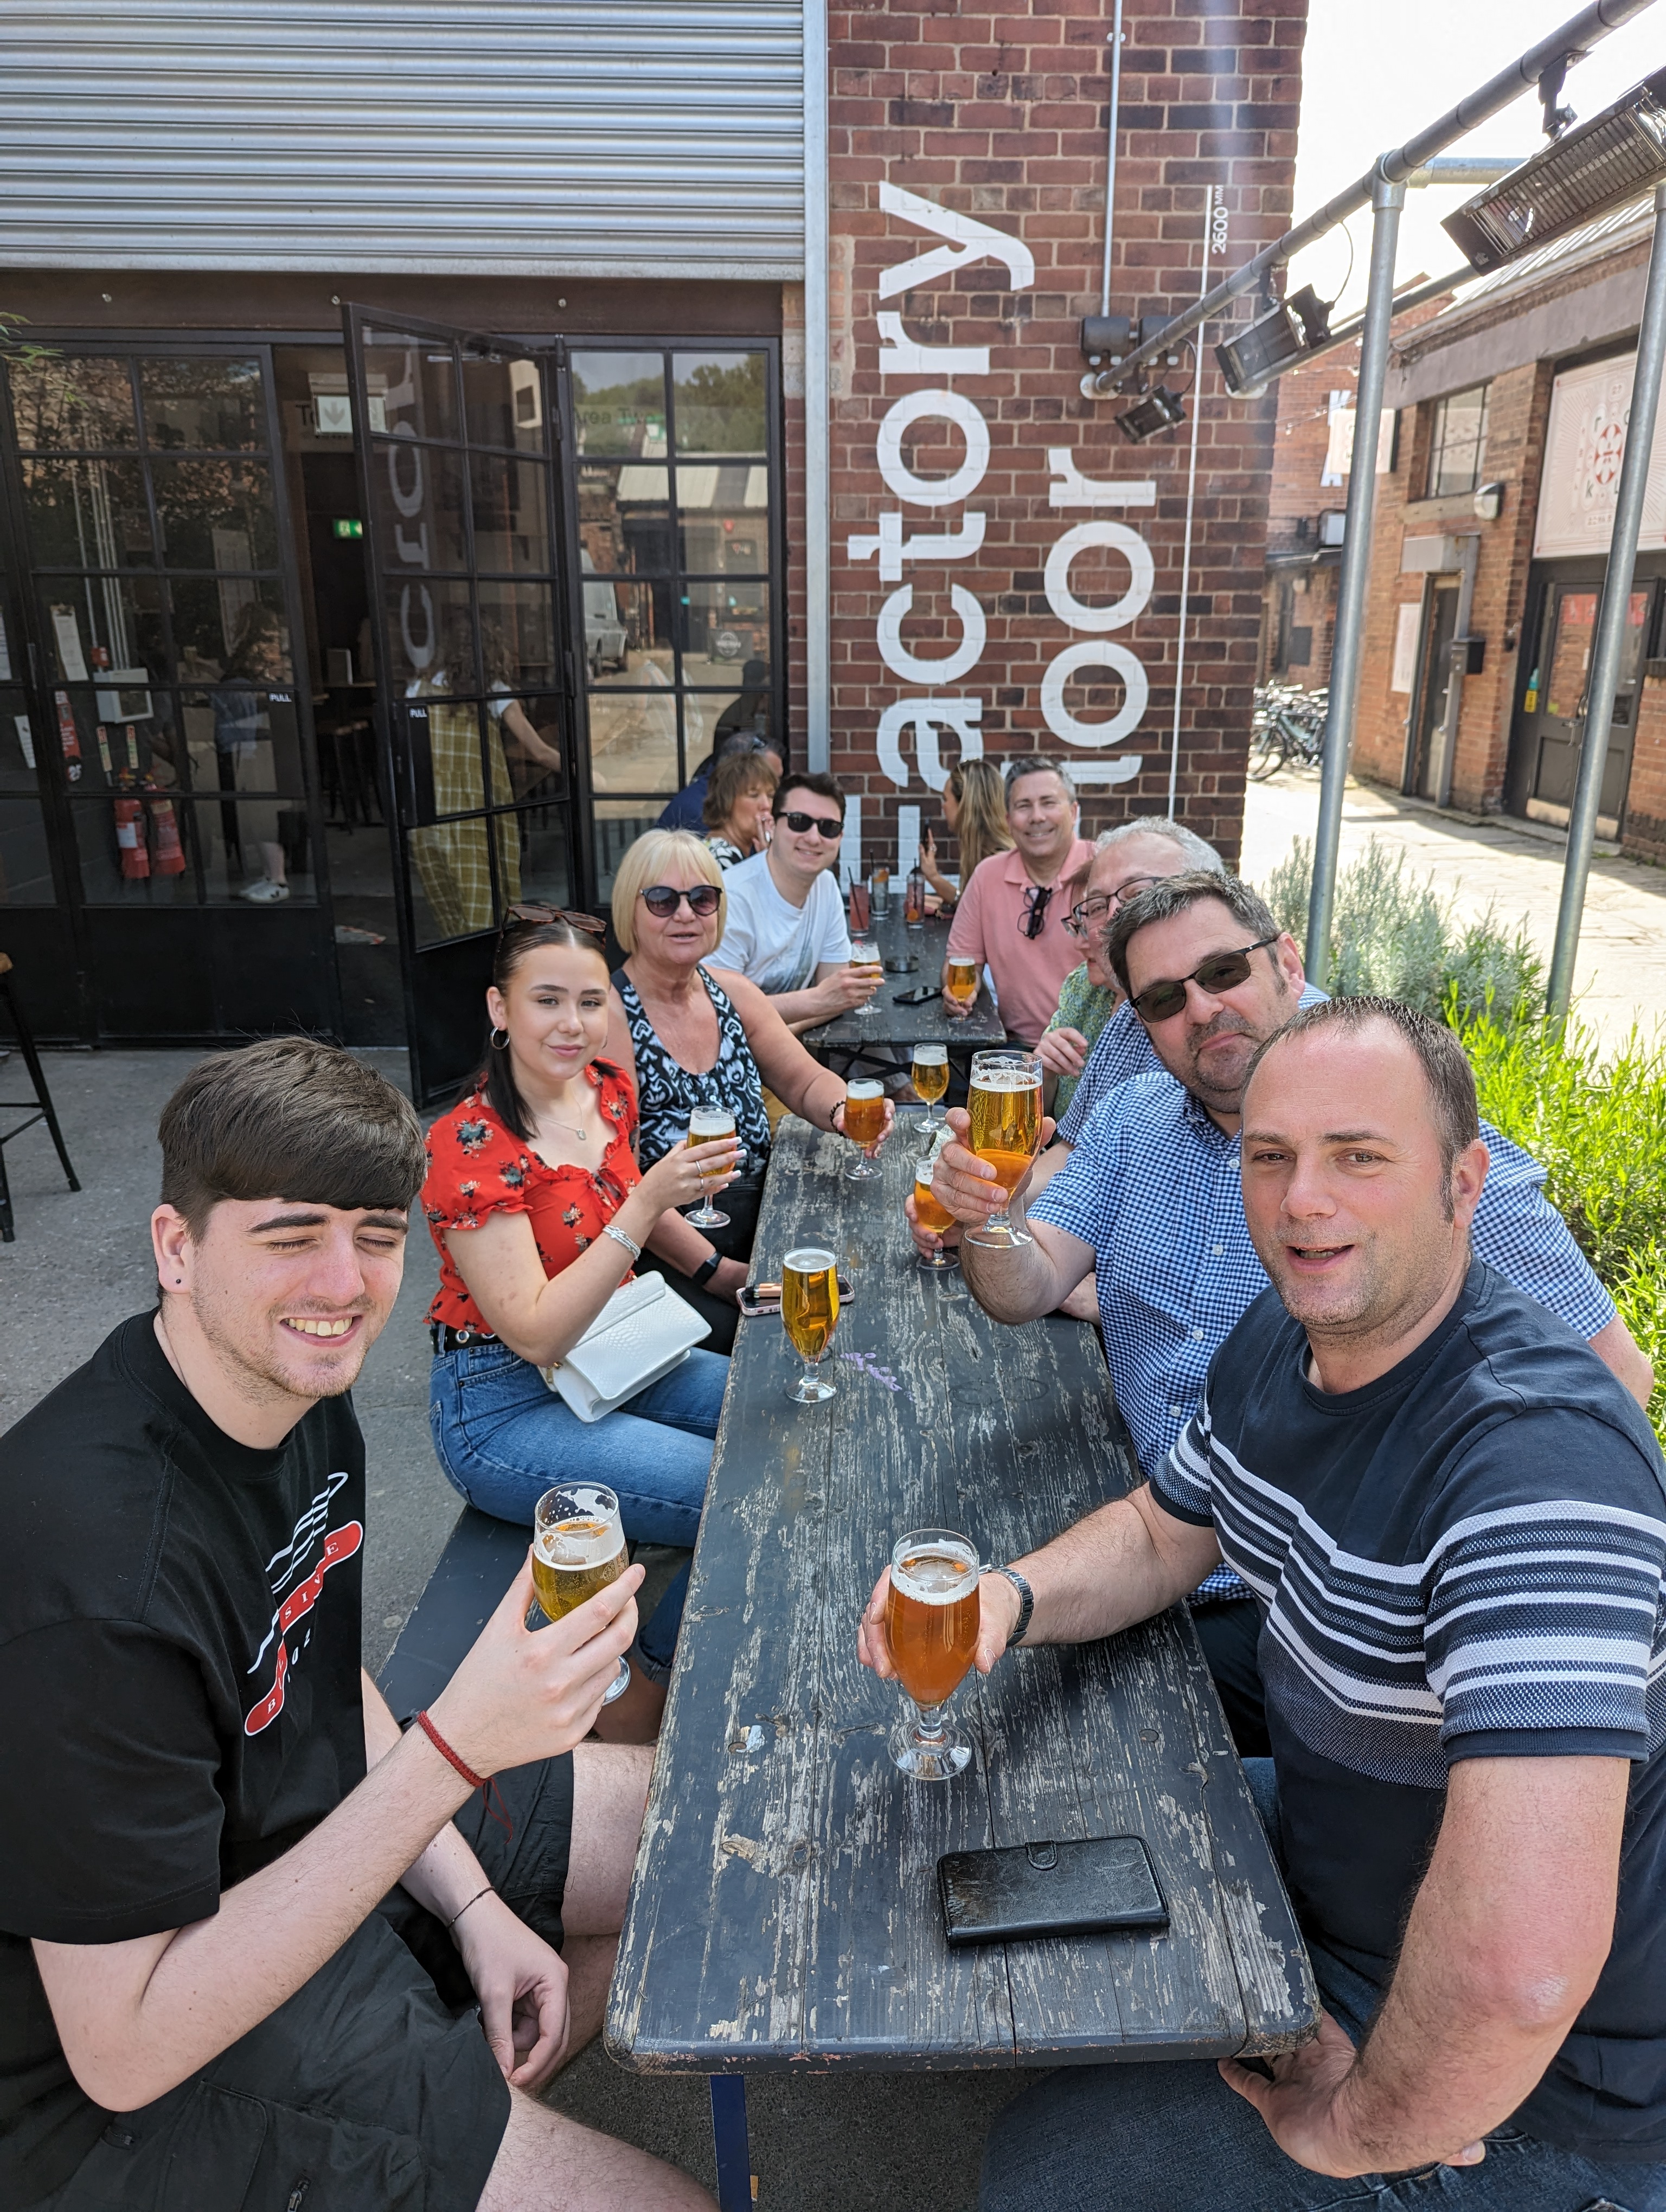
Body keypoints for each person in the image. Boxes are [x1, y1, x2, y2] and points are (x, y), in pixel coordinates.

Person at [864, 996, 1666, 2211]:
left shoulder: (1531, 1461)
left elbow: (1517, 1973)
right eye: (1272, 1156)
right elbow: (1162, 1530)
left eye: (1359, 1157)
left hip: (1541, 2099)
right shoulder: (1285, 1339)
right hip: (1345, 1859)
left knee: (1044, 2175)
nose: (1302, 1201)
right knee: (996, 1842)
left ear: (1466, 1182)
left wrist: (1345, 2130)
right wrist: (1006, 1599)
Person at [0, 1036, 713, 2212]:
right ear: (176, 1249)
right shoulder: (87, 1577)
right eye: (290, 1236)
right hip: (140, 2065)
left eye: (378, 1237)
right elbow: (121, 2052)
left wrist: (475, 1908)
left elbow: (324, 1675)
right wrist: (454, 1753)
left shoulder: (290, 1398)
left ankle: (449, 2106)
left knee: (694, 1835)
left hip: (320, 1841)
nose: (346, 1287)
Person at [926, 871, 1654, 1754]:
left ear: (1286, 962)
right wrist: (986, 1221)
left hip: (1304, 1612)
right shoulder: (1135, 1121)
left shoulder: (1421, 1165)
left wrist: (1398, 1561)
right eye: (1162, 997)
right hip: (1161, 1522)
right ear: (1136, 1021)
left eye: (1223, 972)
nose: (1200, 1009)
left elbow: (1614, 1377)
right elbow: (1028, 1289)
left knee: (1060, 1760)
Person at [424, 909, 739, 1734]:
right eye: (547, 1001)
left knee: (773, 1421)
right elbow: (532, 1332)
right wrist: (645, 1204)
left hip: (615, 1352)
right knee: (737, 1497)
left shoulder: (608, 1089)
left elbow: (623, 1215)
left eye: (591, 1002)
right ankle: (647, 1693)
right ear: (500, 1008)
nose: (572, 1024)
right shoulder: (468, 1145)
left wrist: (721, 1271)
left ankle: (687, 1657)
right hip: (500, 1398)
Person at [604, 829, 892, 1349]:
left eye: (702, 898)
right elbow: (619, 1179)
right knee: (774, 1345)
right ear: (631, 909)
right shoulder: (609, 1014)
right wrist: (718, 1270)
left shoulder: (732, 992)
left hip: (768, 1211)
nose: (686, 914)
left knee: (871, 1287)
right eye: (663, 900)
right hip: (669, 1246)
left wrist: (844, 1109)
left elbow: (803, 1079)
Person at [409, 613, 565, 940]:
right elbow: (538, 751)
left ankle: (459, 958)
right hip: (480, 807)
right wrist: (585, 772)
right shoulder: (494, 691)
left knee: (449, 892)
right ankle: (488, 962)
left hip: (433, 809)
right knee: (485, 890)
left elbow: (411, 755)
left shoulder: (417, 690)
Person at [710, 771, 879, 1031]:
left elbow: (836, 998)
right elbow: (717, 1010)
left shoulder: (826, 885)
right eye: (799, 822)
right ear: (773, 826)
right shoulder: (732, 898)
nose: (813, 837)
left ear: (840, 838)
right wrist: (814, 1001)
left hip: (788, 1045)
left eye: (829, 827)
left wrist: (789, 1031)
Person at [943, 759, 1095, 1047]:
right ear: (1008, 820)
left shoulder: (1105, 869)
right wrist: (959, 993)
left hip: (1093, 1048)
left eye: (1048, 803)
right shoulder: (988, 876)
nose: (1037, 817)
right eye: (1024, 806)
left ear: (1074, 812)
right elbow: (961, 962)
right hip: (1016, 1050)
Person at [1037, 845, 1122, 1122]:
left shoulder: (1163, 1014)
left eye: (1089, 925)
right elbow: (1045, 1120)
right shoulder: (1083, 985)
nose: (1078, 943)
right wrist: (1045, 1071)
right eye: (1077, 927)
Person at [918, 755, 1011, 913]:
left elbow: (981, 919)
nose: (943, 807)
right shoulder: (987, 851)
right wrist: (933, 876)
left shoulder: (997, 865)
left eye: (946, 799)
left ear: (965, 805)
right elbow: (972, 906)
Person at [656, 720, 783, 833]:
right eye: (754, 794)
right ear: (740, 767)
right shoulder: (703, 812)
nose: (767, 804)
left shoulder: (709, 795)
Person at [702, 744, 778, 869]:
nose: (766, 805)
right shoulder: (723, 856)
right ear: (726, 802)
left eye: (771, 796)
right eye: (754, 795)